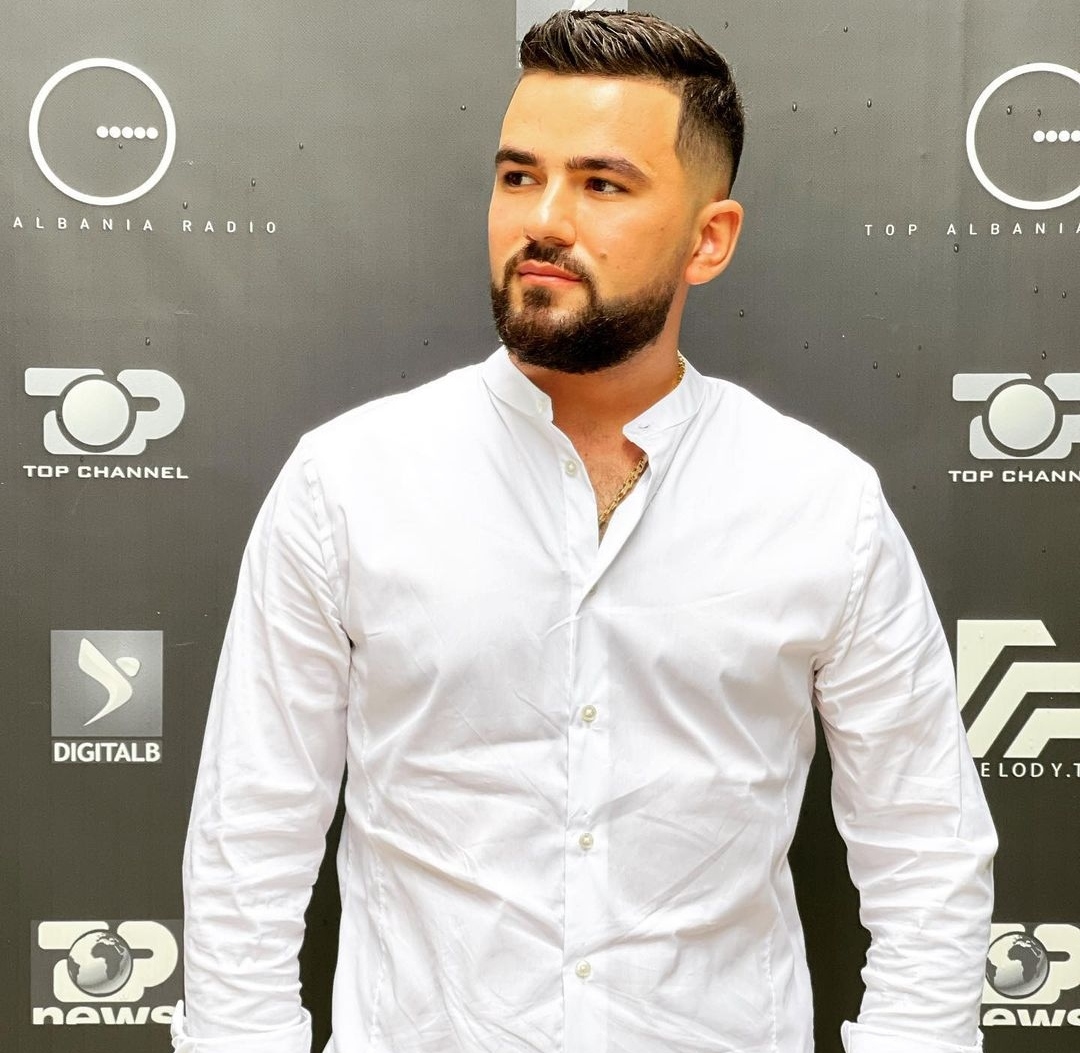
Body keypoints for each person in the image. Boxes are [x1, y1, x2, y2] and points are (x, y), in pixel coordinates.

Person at [173, 10, 996, 1053]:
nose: (543, 219)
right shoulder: (347, 483)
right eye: (519, 176)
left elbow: (925, 848)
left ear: (709, 239)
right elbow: (249, 839)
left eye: (602, 184)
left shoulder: (822, 503)